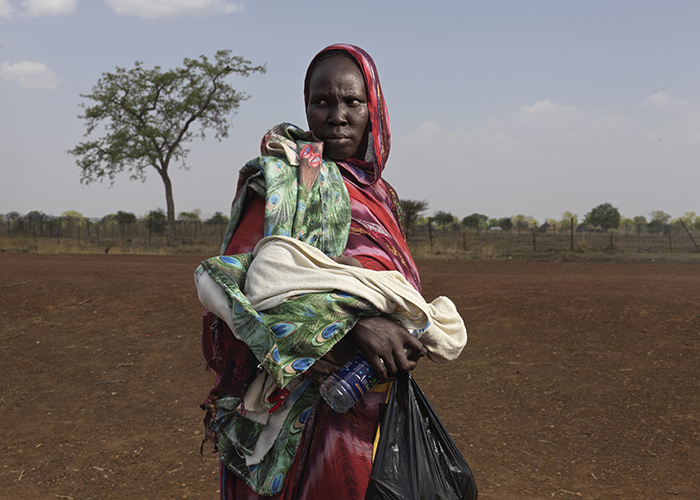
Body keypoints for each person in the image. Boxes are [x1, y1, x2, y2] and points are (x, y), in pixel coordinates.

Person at [196, 44, 466, 499]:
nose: (337, 115)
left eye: (352, 102)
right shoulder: (284, 184)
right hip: (299, 405)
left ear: (373, 108)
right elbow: (238, 287)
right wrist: (349, 327)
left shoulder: (382, 197)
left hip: (373, 402)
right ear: (307, 107)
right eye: (322, 101)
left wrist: (405, 332)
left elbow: (390, 288)